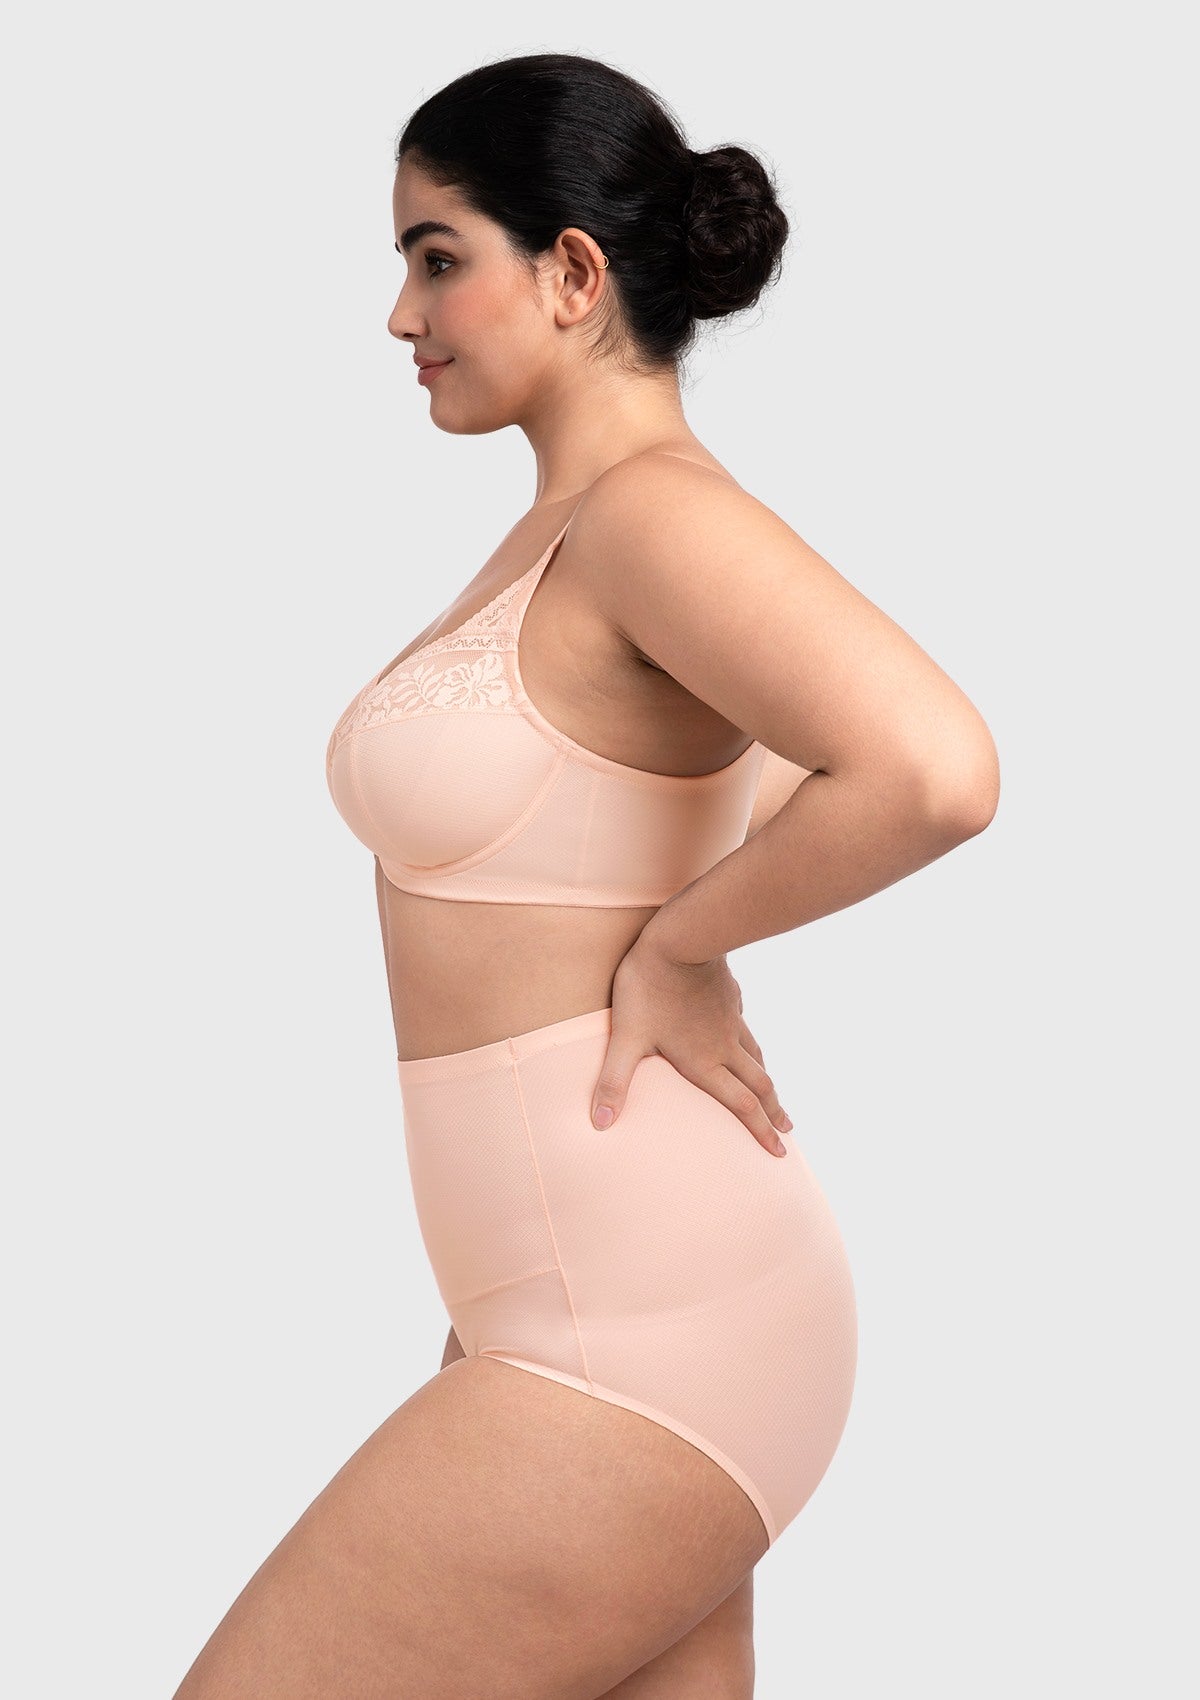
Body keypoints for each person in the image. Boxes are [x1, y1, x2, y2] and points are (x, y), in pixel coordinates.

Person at [173, 50, 999, 1700]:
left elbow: (935, 771)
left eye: (436, 259)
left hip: (639, 1326)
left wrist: (686, 947)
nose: (401, 316)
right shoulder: (573, 534)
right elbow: (731, 791)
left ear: (570, 272)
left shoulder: (648, 520)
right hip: (575, 1300)